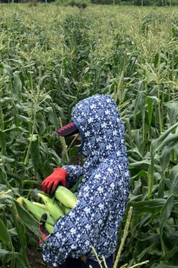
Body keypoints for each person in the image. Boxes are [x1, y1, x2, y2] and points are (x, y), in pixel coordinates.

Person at [39, 94, 130, 268]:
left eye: (80, 133)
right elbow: (89, 173)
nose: (78, 139)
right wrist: (66, 172)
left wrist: (50, 240)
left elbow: (78, 234)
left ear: (96, 131)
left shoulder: (107, 175)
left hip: (89, 261)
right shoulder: (112, 161)